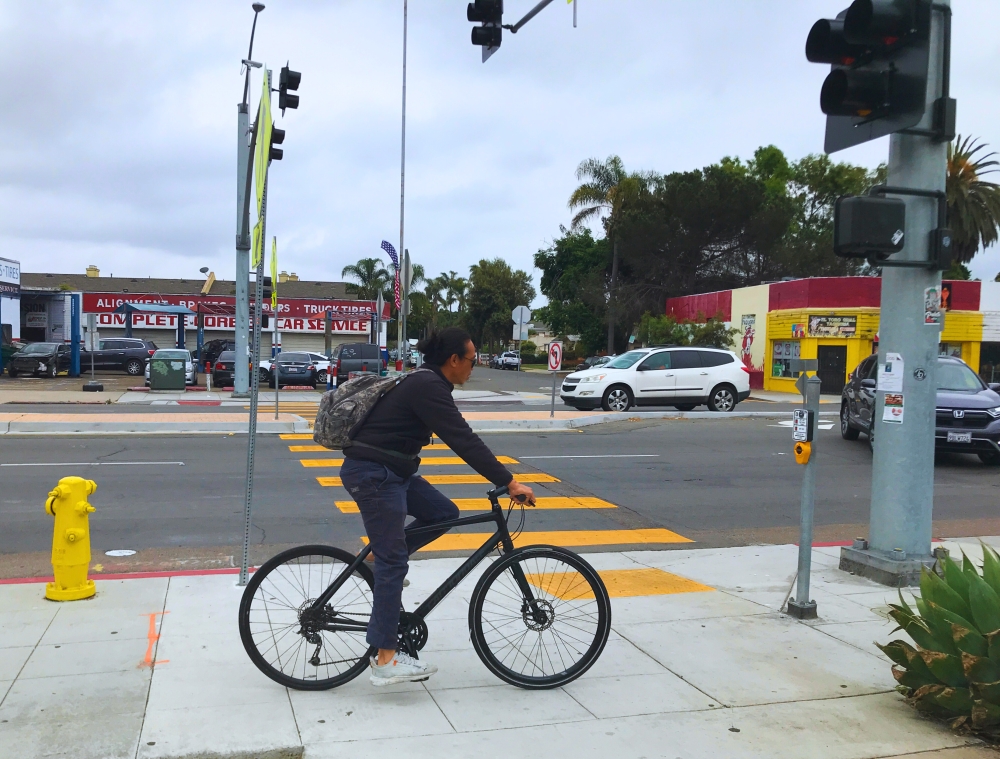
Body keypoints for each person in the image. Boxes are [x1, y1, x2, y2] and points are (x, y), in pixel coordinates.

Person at [341, 326, 536, 687]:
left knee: (443, 513)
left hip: (392, 472)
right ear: (453, 360)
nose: (473, 367)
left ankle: (373, 558)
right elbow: (463, 440)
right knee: (394, 562)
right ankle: (385, 658)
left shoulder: (428, 382)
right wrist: (508, 482)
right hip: (374, 475)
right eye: (472, 361)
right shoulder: (428, 386)